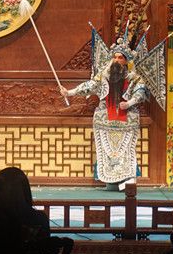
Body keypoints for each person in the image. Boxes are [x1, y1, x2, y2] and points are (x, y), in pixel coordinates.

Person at [60, 37, 149, 191]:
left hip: (127, 120)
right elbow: (89, 86)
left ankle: (126, 182)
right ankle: (110, 183)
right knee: (107, 151)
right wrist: (70, 92)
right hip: (104, 119)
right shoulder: (103, 76)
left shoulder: (134, 78)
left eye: (120, 57)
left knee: (125, 151)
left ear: (126, 61)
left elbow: (140, 93)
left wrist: (129, 103)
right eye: (115, 57)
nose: (116, 60)